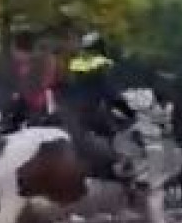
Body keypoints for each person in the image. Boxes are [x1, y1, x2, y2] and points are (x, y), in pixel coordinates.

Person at [58, 32, 137, 178]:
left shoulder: (74, 64)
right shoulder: (102, 65)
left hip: (71, 113)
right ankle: (119, 168)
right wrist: (129, 112)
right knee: (120, 135)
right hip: (93, 113)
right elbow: (110, 93)